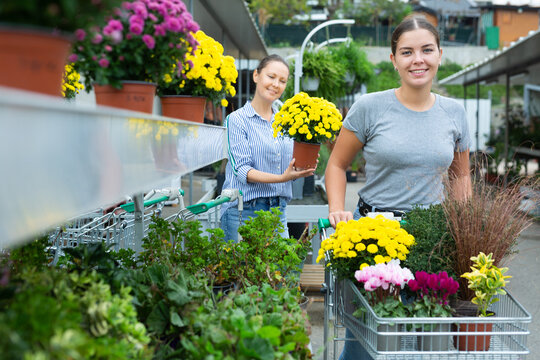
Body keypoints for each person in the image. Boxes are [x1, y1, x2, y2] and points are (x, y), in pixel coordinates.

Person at [325, 15, 471, 359]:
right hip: (374, 237)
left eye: (426, 50)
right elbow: (336, 164)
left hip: (433, 240)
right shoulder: (369, 107)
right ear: (394, 60)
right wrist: (335, 208)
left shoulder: (455, 112)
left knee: (426, 339)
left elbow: (461, 174)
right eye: (407, 52)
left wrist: (463, 224)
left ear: (439, 55)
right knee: (366, 339)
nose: (417, 59)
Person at [220, 54, 316, 242]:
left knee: (278, 271)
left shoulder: (285, 122)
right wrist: (282, 178)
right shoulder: (237, 120)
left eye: (282, 81)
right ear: (256, 76)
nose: (276, 84)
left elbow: (288, 161)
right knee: (242, 271)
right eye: (271, 77)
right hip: (244, 210)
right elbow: (242, 170)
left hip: (278, 211)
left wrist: (302, 165)